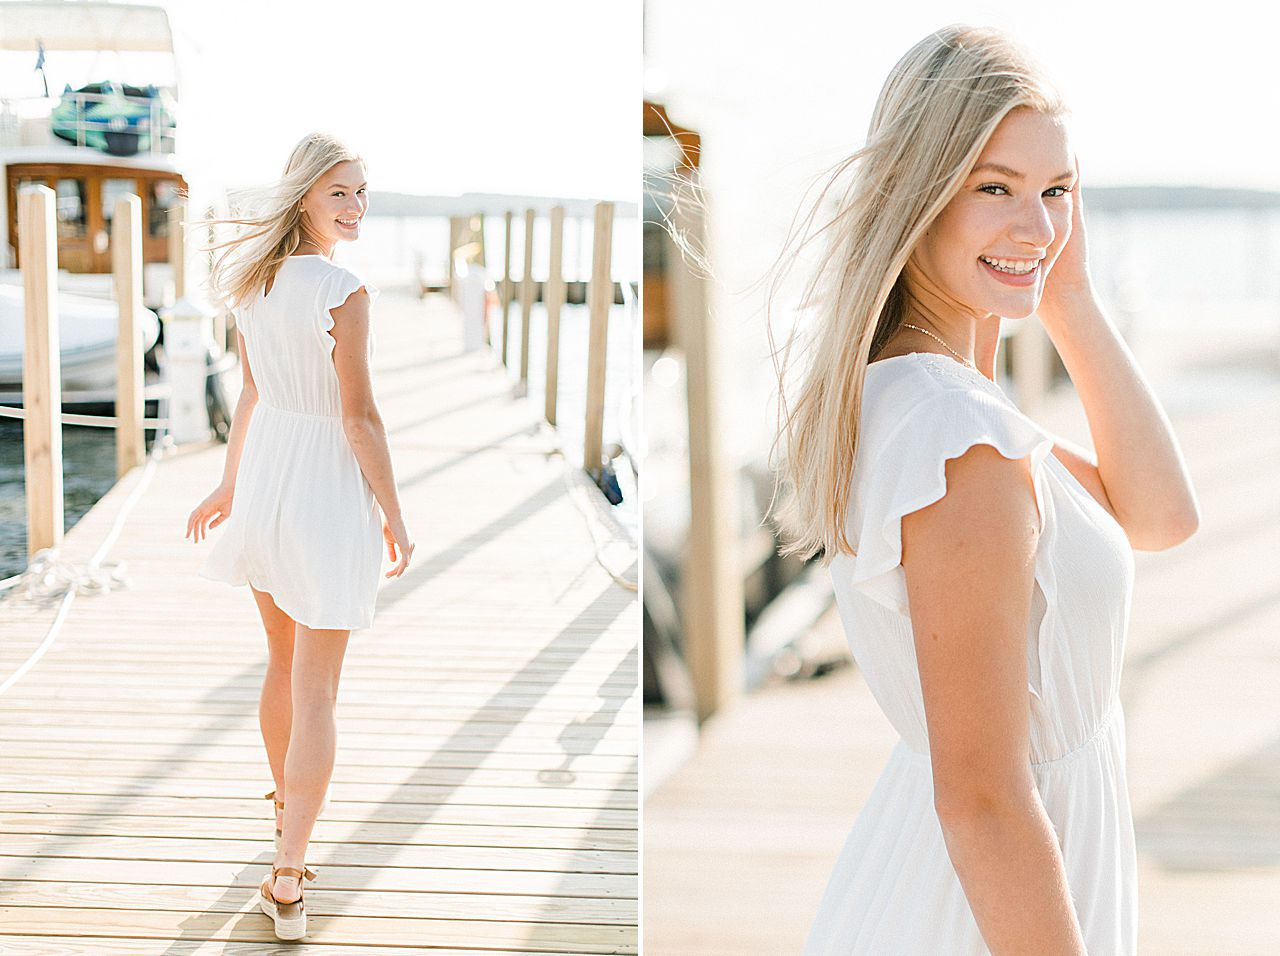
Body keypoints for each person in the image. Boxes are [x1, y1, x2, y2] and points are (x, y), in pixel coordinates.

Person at [769, 26, 1199, 955]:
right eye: (993, 187)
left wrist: (1069, 297)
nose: (1038, 228)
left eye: (1056, 192)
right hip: (989, 909)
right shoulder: (957, 440)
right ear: (916, 195)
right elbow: (983, 800)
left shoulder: (942, 401)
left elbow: (1162, 515)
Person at [184, 132, 415, 940]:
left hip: (271, 481)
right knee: (314, 686)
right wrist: (393, 509)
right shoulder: (341, 289)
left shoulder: (251, 282)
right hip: (320, 488)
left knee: (283, 665)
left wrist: (231, 483)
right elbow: (358, 418)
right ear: (304, 197)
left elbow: (250, 394)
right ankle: (286, 875)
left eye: (360, 191)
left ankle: (286, 820)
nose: (355, 207)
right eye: (340, 193)